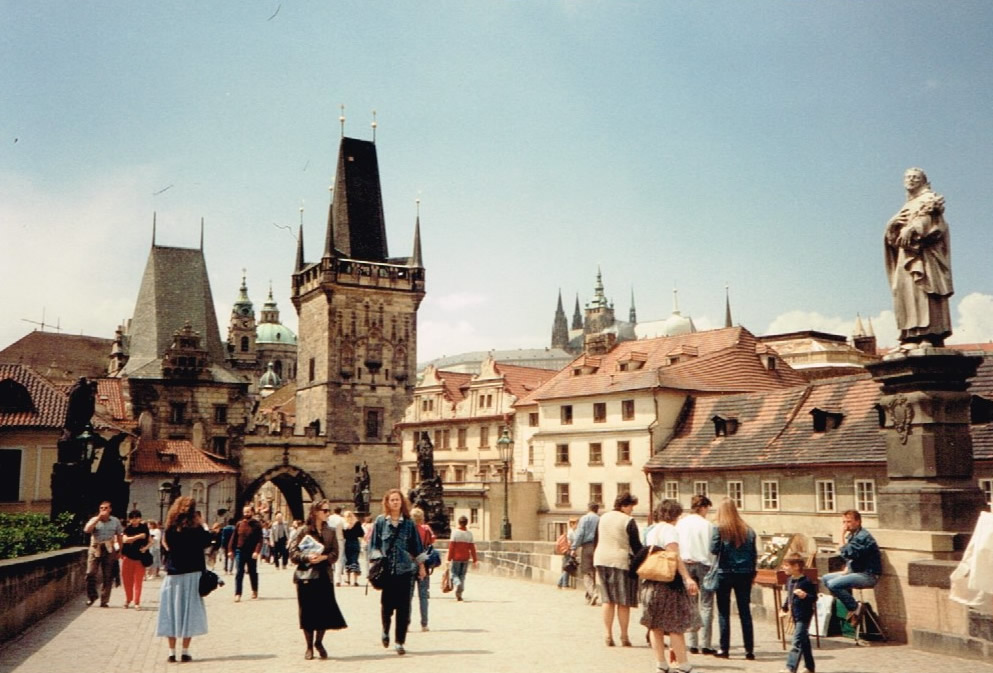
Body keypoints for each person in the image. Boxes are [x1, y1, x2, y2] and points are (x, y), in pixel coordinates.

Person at [884, 167, 954, 348]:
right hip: (905, 257)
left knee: (923, 291)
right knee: (905, 292)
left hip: (923, 257)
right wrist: (891, 225)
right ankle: (910, 335)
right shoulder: (907, 205)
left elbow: (933, 224)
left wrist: (913, 229)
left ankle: (928, 335)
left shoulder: (929, 198)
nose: (911, 180)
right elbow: (893, 238)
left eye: (915, 177)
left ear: (923, 181)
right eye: (908, 177)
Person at [642, 499, 700, 673]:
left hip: (650, 581)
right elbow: (673, 556)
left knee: (655, 625)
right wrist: (687, 578)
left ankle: (661, 663)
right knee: (675, 625)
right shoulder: (670, 531)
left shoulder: (651, 530)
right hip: (668, 583)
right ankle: (683, 664)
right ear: (675, 515)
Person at [368, 489, 428, 655]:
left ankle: (399, 641)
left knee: (403, 608)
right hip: (387, 571)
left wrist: (421, 566)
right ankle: (385, 631)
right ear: (387, 503)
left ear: (402, 502)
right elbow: (373, 546)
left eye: (398, 500)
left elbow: (417, 547)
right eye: (392, 500)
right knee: (387, 607)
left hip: (404, 570)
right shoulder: (380, 522)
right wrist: (377, 561)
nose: (395, 502)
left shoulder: (408, 524)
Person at [288, 499, 347, 660]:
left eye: (328, 511)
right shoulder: (303, 531)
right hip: (306, 576)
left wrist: (324, 558)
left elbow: (335, 554)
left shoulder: (331, 531)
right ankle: (309, 647)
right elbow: (292, 554)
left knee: (324, 612)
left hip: (324, 575)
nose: (327, 513)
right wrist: (307, 557)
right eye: (325, 511)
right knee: (307, 613)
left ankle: (319, 642)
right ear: (315, 512)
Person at [157, 496, 212, 662]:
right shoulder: (196, 529)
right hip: (192, 574)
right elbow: (208, 542)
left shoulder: (170, 528)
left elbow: (166, 546)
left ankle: (171, 653)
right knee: (189, 612)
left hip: (174, 575)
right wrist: (203, 523)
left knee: (171, 612)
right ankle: (185, 651)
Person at [710, 498, 758, 660]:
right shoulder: (749, 530)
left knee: (723, 612)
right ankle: (749, 650)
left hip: (725, 572)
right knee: (745, 611)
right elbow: (754, 554)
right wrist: (752, 573)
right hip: (744, 573)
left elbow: (713, 549)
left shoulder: (720, 528)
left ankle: (724, 649)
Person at [593, 492, 643, 647]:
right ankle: (624, 636)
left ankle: (608, 635)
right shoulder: (628, 521)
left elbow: (596, 539)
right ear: (624, 506)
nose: (632, 510)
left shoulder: (603, 518)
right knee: (623, 601)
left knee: (607, 600)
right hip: (620, 561)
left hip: (601, 559)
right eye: (631, 507)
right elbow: (636, 546)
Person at [822, 509, 881, 624]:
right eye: (844, 522)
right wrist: (848, 568)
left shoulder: (862, 537)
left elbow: (849, 553)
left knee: (833, 584)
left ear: (858, 521)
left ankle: (854, 608)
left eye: (848, 522)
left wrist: (841, 536)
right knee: (826, 578)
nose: (845, 525)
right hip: (856, 572)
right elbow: (851, 558)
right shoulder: (854, 535)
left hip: (868, 575)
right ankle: (854, 606)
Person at [676, 494, 716, 655]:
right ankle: (705, 644)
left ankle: (692, 643)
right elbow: (711, 549)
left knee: (690, 604)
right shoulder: (707, 525)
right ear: (703, 508)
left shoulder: (681, 523)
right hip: (703, 565)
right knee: (706, 605)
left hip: (686, 564)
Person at [779, 552, 817, 673]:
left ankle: (790, 667)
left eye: (786, 565)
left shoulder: (806, 582)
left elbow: (814, 598)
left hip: (804, 615)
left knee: (796, 642)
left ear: (796, 566)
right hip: (795, 614)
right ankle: (810, 667)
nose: (784, 568)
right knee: (804, 641)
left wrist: (805, 595)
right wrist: (784, 608)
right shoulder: (790, 580)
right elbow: (788, 597)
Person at [83, 501, 123, 607]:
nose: (103, 510)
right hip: (95, 548)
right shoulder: (94, 519)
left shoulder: (115, 521)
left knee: (108, 575)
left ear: (110, 509)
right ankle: (92, 596)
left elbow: (119, 536)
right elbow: (87, 530)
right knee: (90, 573)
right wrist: (97, 519)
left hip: (109, 549)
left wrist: (120, 551)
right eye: (101, 508)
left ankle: (104, 600)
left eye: (106, 508)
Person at [227, 504, 262, 602]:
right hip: (240, 550)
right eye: (244, 512)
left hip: (251, 552)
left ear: (252, 512)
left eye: (248, 512)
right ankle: (238, 593)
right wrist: (230, 550)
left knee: (252, 572)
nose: (246, 514)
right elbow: (234, 538)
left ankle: (254, 590)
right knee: (239, 572)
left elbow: (260, 540)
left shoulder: (257, 524)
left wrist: (256, 551)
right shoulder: (239, 524)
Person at [410, 507, 436, 630]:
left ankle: (407, 623)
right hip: (424, 563)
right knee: (423, 595)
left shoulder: (408, 530)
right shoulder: (426, 529)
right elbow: (432, 541)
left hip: (410, 564)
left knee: (408, 596)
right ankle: (424, 624)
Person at [571, 501, 601, 605]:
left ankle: (593, 593)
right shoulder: (600, 519)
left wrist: (574, 548)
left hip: (587, 547)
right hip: (598, 547)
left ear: (589, 508)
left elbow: (580, 534)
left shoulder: (585, 519)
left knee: (586, 572)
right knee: (593, 572)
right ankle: (589, 596)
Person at [120, 509, 150, 609]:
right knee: (127, 581)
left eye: (136, 518)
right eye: (132, 518)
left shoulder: (144, 527)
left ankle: (137, 602)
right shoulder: (127, 529)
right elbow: (125, 540)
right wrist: (139, 536)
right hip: (127, 558)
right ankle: (128, 599)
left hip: (140, 559)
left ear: (140, 518)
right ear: (129, 519)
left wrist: (145, 548)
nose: (134, 520)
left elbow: (150, 540)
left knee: (138, 582)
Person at [447, 514, 478, 602]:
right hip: (465, 558)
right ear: (466, 523)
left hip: (456, 557)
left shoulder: (455, 532)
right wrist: (475, 560)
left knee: (454, 574)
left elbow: (451, 547)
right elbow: (472, 548)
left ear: (459, 523)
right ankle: (459, 593)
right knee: (462, 575)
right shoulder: (469, 534)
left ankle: (458, 583)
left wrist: (448, 559)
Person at [342, 510, 364, 585]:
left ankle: (348, 579)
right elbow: (361, 534)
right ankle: (355, 581)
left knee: (348, 561)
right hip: (355, 542)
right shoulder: (357, 523)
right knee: (355, 560)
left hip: (347, 543)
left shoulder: (344, 525)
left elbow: (343, 535)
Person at [327, 505, 346, 586]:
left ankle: (329, 578)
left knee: (328, 557)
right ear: (340, 511)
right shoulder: (341, 519)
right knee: (339, 559)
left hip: (329, 539)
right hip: (339, 539)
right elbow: (346, 527)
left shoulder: (329, 518)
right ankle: (338, 580)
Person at [558, 517, 579, 589]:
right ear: (572, 524)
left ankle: (560, 583)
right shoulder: (571, 532)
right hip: (569, 552)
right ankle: (564, 585)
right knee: (567, 568)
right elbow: (570, 543)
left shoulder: (570, 531)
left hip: (567, 551)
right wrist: (572, 551)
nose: (577, 525)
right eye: (577, 523)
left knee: (566, 567)